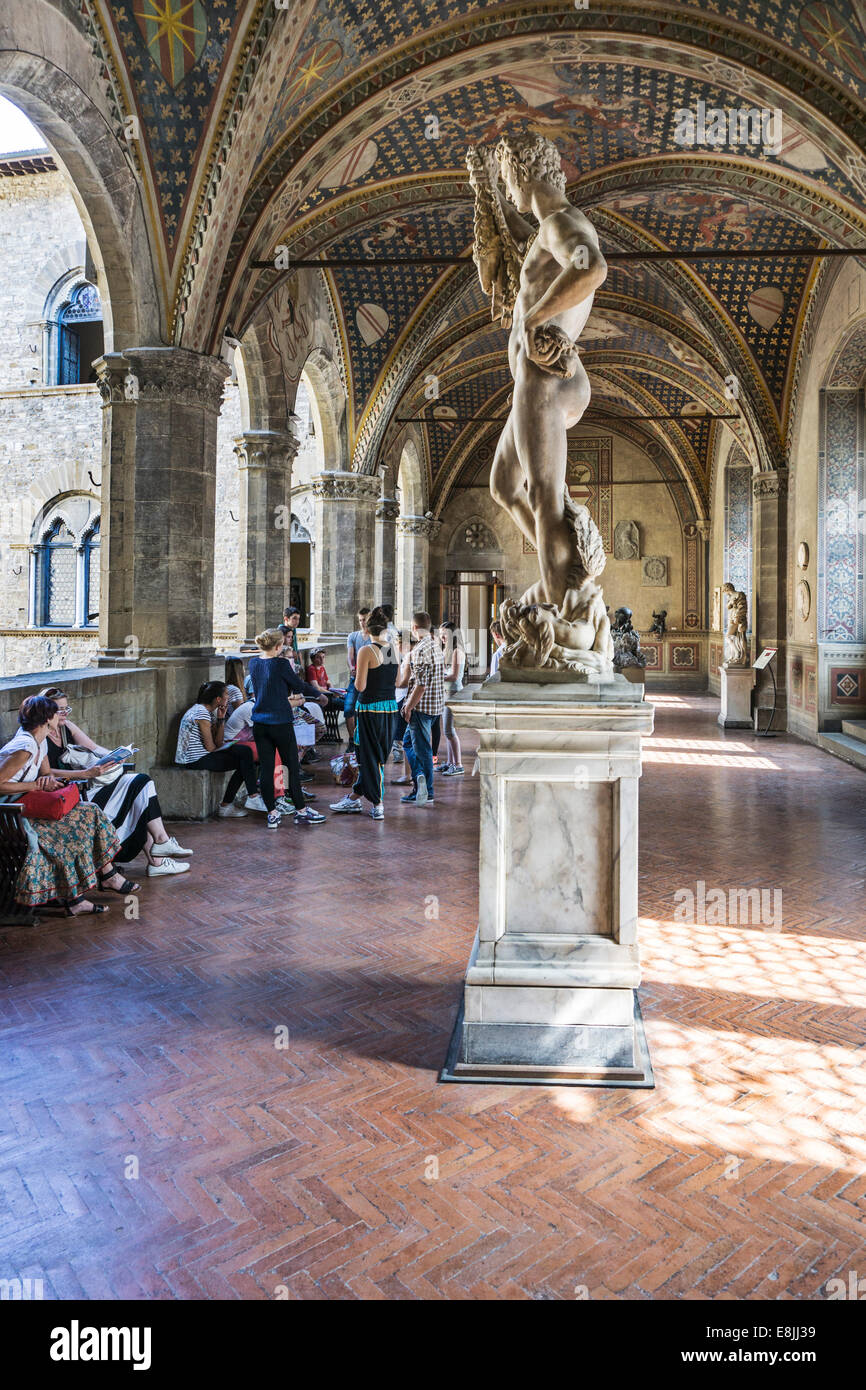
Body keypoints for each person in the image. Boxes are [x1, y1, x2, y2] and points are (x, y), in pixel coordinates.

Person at [38, 687, 190, 878]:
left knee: (142, 783)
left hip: (86, 784)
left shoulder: (66, 726)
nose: (65, 714)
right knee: (140, 789)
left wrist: (114, 756)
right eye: (60, 710)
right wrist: (84, 773)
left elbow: (93, 747)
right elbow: (46, 772)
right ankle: (158, 856)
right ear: (46, 711)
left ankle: (160, 847)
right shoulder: (41, 735)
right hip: (73, 791)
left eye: (67, 709)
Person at [0, 695, 132, 915]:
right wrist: (34, 785)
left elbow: (45, 774)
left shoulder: (38, 741)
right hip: (10, 814)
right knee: (68, 832)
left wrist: (49, 782)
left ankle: (104, 876)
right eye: (55, 713)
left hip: (26, 805)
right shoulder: (24, 747)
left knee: (89, 812)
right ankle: (75, 899)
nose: (59, 716)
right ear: (47, 719)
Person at [247, 628, 328, 829]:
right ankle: (301, 811)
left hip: (260, 723)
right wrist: (318, 695)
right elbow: (298, 685)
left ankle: (272, 814)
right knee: (291, 766)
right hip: (280, 723)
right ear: (278, 646)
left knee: (266, 769)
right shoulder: (281, 664)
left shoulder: (254, 663)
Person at [331, 608, 398, 820]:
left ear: (367, 630)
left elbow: (360, 686)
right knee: (376, 755)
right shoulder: (391, 649)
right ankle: (354, 797)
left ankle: (378, 803)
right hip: (389, 708)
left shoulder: (366, 651)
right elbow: (395, 682)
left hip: (369, 709)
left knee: (369, 756)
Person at [176, 681, 266, 817]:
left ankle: (242, 800)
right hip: (194, 759)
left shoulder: (207, 712)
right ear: (218, 699)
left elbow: (218, 742)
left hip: (203, 754)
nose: (228, 698)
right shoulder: (201, 713)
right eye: (226, 695)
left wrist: (221, 718)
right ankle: (242, 799)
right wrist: (225, 747)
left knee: (246, 754)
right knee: (245, 757)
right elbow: (211, 747)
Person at [400, 612, 445, 806]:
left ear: (415, 628)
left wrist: (408, 707)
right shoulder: (436, 645)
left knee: (422, 750)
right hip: (435, 706)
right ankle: (420, 781)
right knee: (409, 743)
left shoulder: (419, 650)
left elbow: (421, 684)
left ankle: (425, 790)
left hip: (421, 708)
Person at [437, 622, 466, 776]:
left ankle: (459, 765)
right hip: (445, 693)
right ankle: (449, 762)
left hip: (454, 693)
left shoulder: (457, 652)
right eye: (440, 633)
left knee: (449, 730)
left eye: (445, 633)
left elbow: (454, 676)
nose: (442, 636)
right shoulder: (446, 651)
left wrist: (437, 676)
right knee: (447, 730)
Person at [344, 607, 371, 741]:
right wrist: (351, 667)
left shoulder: (374, 637)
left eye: (364, 619)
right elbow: (350, 655)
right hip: (355, 677)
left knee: (366, 711)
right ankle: (351, 739)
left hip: (370, 679)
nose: (362, 623)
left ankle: (364, 739)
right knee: (349, 708)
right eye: (360, 620)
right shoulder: (353, 636)